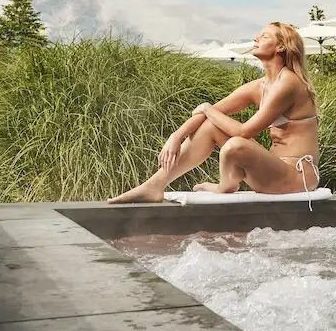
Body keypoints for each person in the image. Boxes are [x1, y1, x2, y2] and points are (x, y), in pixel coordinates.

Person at [108, 21, 321, 203]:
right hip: (272, 171)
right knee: (210, 126)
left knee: (235, 145)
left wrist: (207, 108)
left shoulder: (289, 83)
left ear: (281, 46)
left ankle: (224, 186)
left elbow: (245, 132)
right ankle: (155, 185)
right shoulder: (260, 86)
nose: (256, 38)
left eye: (264, 36)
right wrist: (176, 136)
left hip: (296, 177)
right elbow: (207, 116)